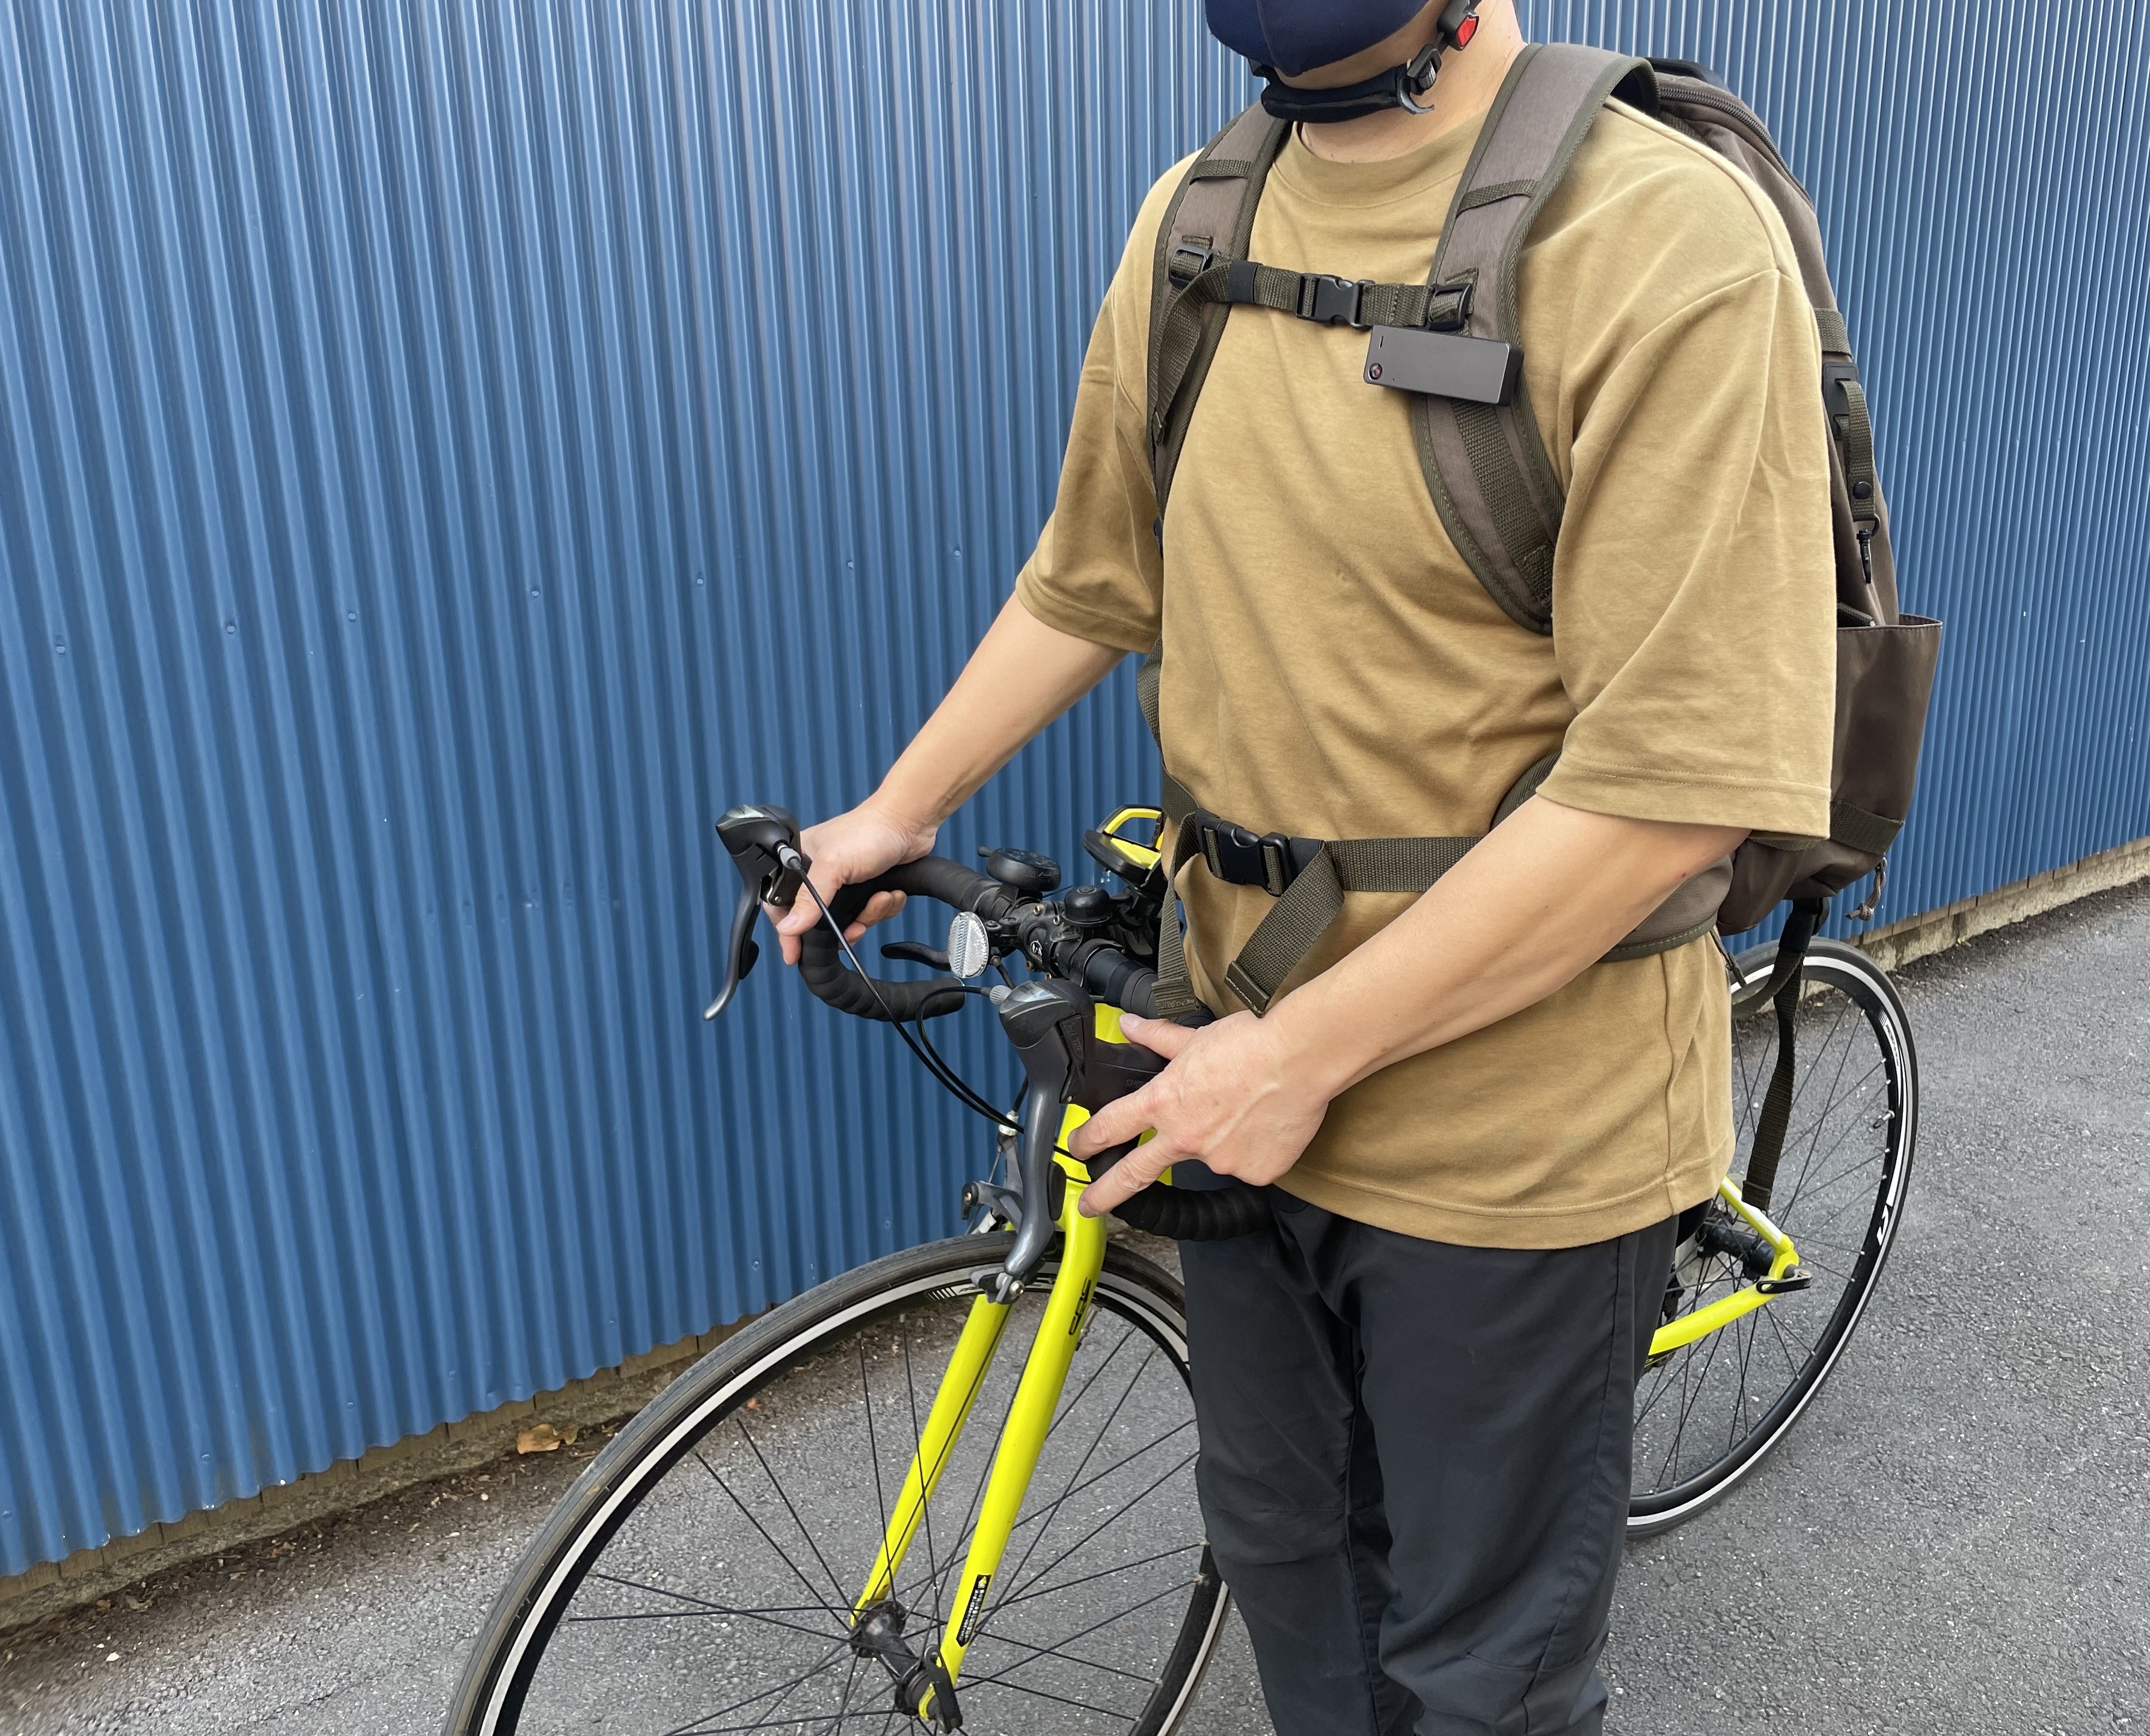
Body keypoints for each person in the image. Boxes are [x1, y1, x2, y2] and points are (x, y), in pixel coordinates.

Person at [770, 1, 1836, 1729]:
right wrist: (897, 810)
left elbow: (1668, 791)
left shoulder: (1655, 235)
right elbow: (1093, 575)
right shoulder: (1207, 211)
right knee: (1291, 1565)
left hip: (1517, 1137)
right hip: (1229, 1065)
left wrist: (1300, 1058)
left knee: (1482, 1674)